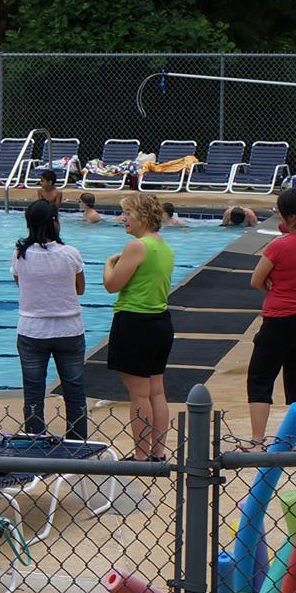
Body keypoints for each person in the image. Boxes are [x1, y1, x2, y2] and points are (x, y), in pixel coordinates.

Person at [246, 188, 296, 441]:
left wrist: (270, 285)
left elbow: (255, 281)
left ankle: (258, 441)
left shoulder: (278, 246)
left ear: (291, 218)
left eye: (281, 214)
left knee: (260, 377)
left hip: (281, 318)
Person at [103, 192, 175, 462]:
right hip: (160, 323)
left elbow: (112, 285)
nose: (124, 219)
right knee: (157, 390)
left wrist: (108, 265)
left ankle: (141, 455)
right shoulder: (164, 246)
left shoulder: (137, 246)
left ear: (143, 216)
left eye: (128, 214)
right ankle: (158, 451)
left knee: (138, 395)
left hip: (134, 323)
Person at [12, 200, 87, 440]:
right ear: (55, 222)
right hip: (69, 330)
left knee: (33, 392)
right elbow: (80, 289)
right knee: (74, 390)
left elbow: (20, 284)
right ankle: (77, 443)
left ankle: (35, 442)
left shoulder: (20, 254)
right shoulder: (70, 254)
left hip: (32, 330)